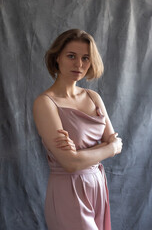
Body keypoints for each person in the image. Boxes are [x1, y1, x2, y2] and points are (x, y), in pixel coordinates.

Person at [33, 29, 123, 230]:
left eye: (85, 58)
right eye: (71, 56)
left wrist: (80, 154)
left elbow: (112, 140)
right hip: (69, 190)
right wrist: (109, 148)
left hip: (98, 185)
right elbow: (70, 164)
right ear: (57, 58)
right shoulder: (45, 103)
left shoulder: (93, 97)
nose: (79, 64)